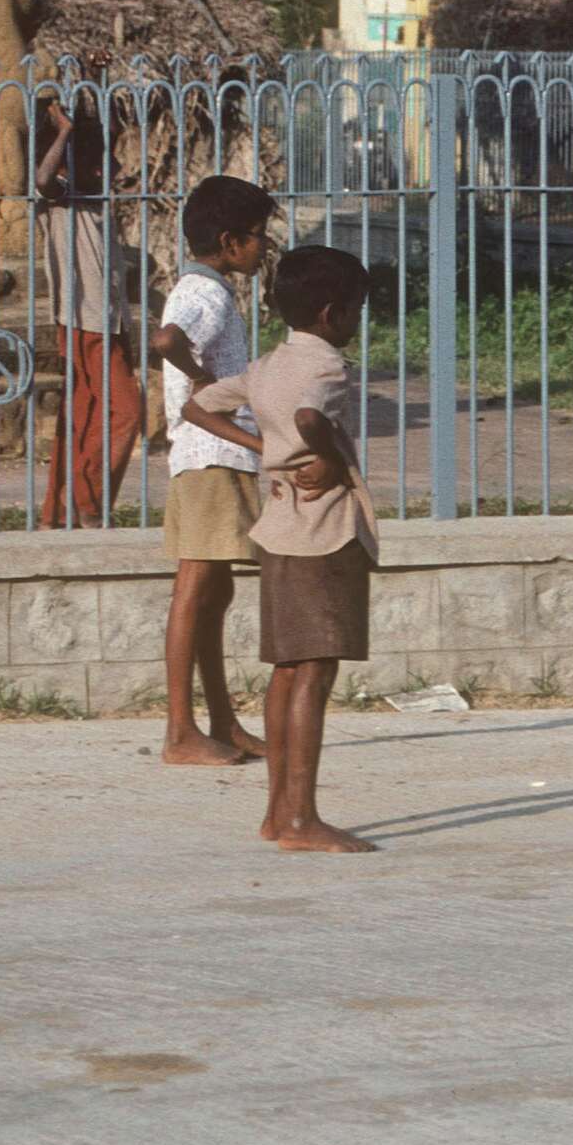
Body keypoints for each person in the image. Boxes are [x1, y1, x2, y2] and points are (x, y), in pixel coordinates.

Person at [186, 245, 376, 852]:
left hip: (278, 531)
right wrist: (325, 455)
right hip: (325, 535)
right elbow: (311, 418)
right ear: (331, 313)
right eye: (355, 310)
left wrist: (267, 451)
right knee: (314, 675)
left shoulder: (267, 365)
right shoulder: (328, 368)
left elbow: (197, 405)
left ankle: (277, 814)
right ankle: (301, 820)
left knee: (286, 671)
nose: (356, 321)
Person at [151, 174, 280, 765]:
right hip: (208, 456)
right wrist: (203, 382)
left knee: (216, 591)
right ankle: (180, 732)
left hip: (218, 456)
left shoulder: (205, 288)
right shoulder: (206, 294)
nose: (263, 246)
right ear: (230, 242)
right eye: (258, 235)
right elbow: (167, 341)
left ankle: (221, 721)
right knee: (195, 587)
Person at [36, 57, 141, 528]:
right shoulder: (63, 199)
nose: (113, 170)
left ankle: (61, 510)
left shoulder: (96, 202)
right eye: (102, 164)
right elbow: (43, 179)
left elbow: (109, 133)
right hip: (84, 321)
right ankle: (89, 498)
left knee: (85, 415)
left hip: (107, 321)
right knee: (125, 412)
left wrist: (94, 85)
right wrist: (63, 133)